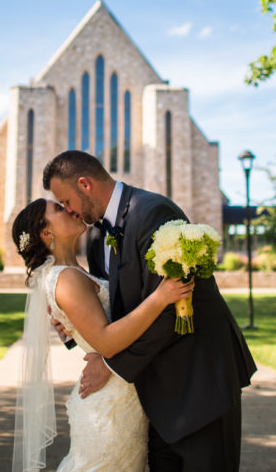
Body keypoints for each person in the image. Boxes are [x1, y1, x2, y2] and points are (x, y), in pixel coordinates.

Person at [43, 150, 256, 471]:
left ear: (84, 184)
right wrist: (73, 328)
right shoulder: (98, 235)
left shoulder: (153, 211)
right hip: (149, 394)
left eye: (65, 200)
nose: (68, 210)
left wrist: (112, 365)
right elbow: (114, 312)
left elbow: (173, 308)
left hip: (199, 381)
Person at [11, 197, 195, 472]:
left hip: (122, 398)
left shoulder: (71, 272)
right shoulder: (67, 278)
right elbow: (107, 342)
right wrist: (161, 297)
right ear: (46, 233)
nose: (70, 209)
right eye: (59, 209)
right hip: (109, 409)